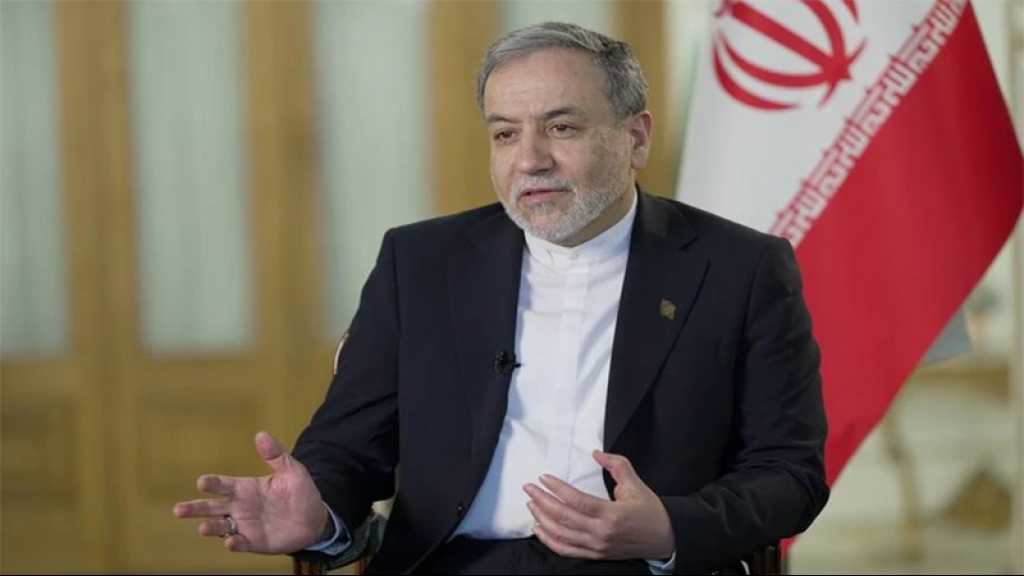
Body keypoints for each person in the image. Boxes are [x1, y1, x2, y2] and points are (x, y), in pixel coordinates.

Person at [174, 22, 828, 574]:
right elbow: (349, 447)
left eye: (561, 127)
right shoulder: (420, 262)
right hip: (451, 562)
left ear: (636, 138)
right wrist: (317, 512)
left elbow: (789, 472)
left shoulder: (740, 269)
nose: (530, 160)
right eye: (505, 133)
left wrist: (668, 529)